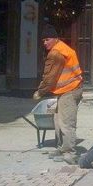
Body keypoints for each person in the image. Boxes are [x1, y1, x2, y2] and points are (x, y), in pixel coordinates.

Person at [33, 25, 83, 163]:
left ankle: (70, 153)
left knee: (66, 122)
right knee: (58, 120)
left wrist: (40, 92)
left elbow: (50, 77)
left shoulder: (56, 53)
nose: (45, 43)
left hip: (70, 90)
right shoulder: (61, 48)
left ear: (55, 39)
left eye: (47, 39)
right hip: (67, 89)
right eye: (43, 40)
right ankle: (62, 148)